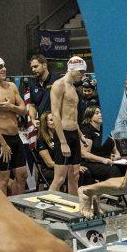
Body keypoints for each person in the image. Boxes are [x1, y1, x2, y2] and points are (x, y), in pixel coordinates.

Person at [0, 56, 29, 196]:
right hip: (1, 140)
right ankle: (3, 211)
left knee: (22, 175)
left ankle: (19, 207)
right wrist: (3, 144)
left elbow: (24, 110)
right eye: (0, 67)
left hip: (15, 137)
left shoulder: (12, 87)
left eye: (4, 66)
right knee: (3, 178)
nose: (4, 69)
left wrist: (10, 106)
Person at [49, 56, 86, 197]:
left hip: (73, 134)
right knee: (59, 179)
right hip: (62, 133)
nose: (82, 75)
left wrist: (80, 135)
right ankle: (45, 207)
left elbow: (74, 116)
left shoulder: (73, 88)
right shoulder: (59, 85)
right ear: (73, 69)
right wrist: (63, 142)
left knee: (74, 176)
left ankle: (74, 208)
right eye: (81, 72)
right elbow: (55, 114)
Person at [25, 54, 60, 122]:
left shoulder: (57, 79)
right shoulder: (33, 83)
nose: (33, 70)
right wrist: (33, 119)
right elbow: (32, 105)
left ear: (44, 65)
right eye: (32, 68)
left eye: (35, 66)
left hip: (57, 123)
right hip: (42, 125)